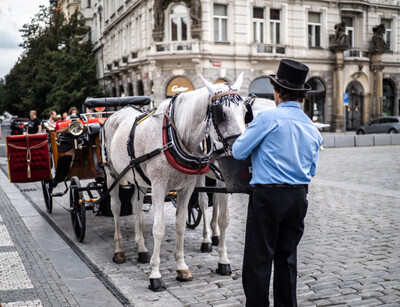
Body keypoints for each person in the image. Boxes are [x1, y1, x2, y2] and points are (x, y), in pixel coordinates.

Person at [232, 59, 322, 306]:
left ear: (277, 91)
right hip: (298, 198)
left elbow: (239, 151)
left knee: (259, 259)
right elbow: (311, 169)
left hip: (268, 197)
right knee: (287, 259)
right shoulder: (312, 128)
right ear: (301, 96)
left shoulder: (267, 119)